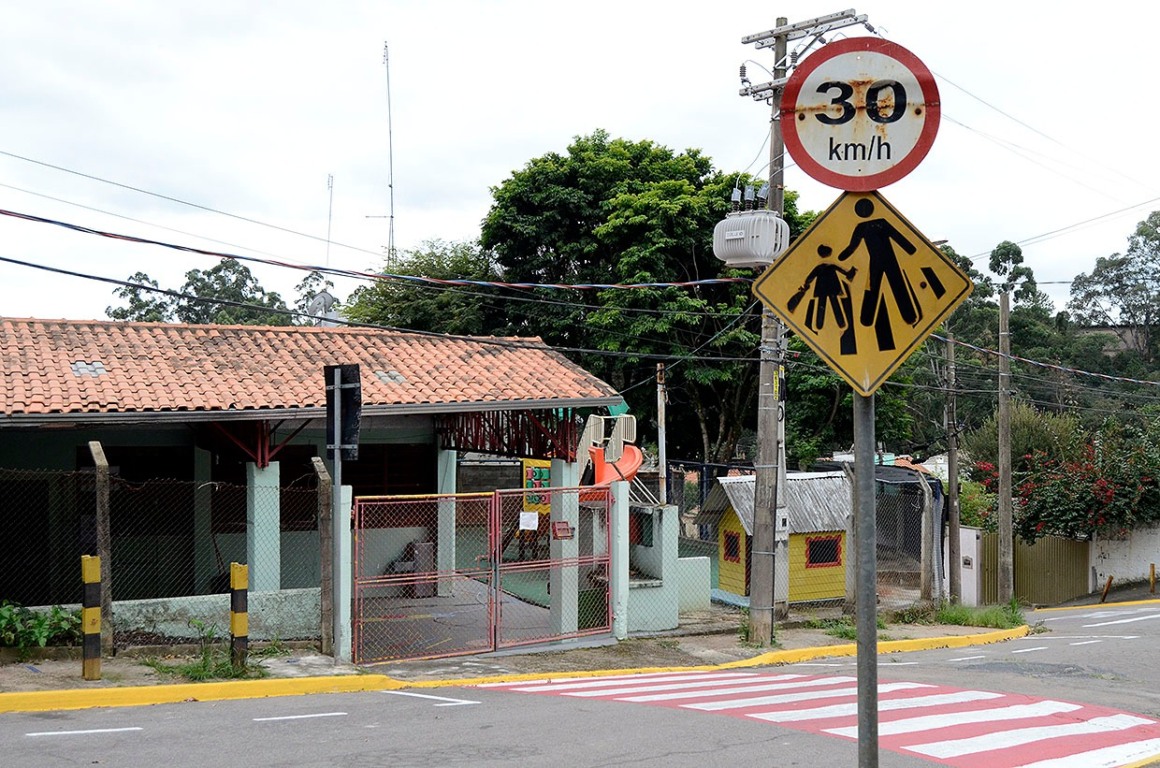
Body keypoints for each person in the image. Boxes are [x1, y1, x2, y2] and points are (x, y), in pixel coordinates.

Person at [838, 197, 922, 352]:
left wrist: (840, 257)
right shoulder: (878, 223)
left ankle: (868, 318)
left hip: (880, 261)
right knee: (890, 287)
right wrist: (911, 249)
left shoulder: (864, 226)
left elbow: (852, 247)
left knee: (877, 288)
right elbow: (899, 238)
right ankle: (905, 316)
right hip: (887, 260)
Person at [788, 243, 858, 355]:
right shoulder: (829, 266)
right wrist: (851, 272)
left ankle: (822, 323)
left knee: (824, 305)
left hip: (822, 289)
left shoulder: (821, 267)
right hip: (832, 289)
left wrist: (806, 284)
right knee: (832, 305)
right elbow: (843, 271)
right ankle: (837, 323)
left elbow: (810, 277)